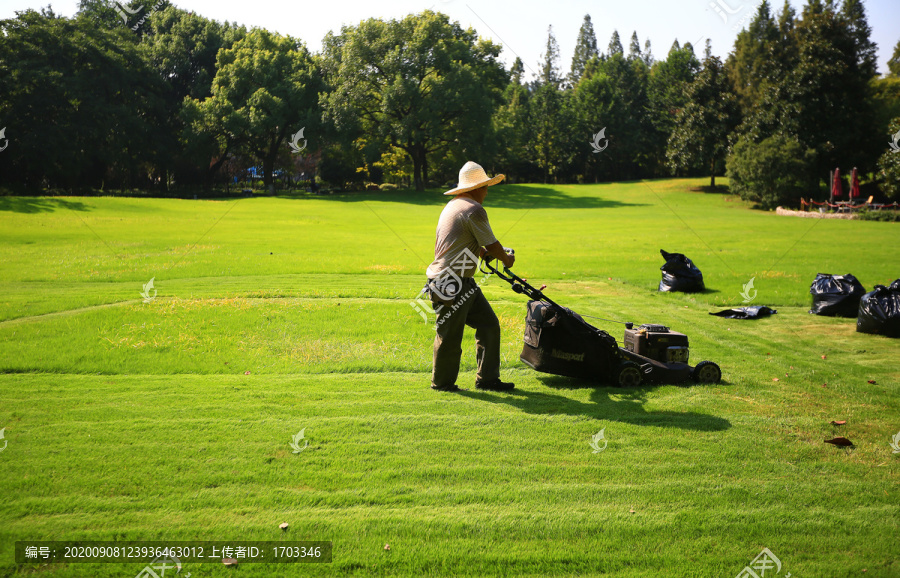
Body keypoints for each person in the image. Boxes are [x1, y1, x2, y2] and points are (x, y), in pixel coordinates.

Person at [426, 161, 516, 392]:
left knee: (488, 324)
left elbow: (465, 241)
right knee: (450, 335)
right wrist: (506, 260)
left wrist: (483, 254)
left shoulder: (454, 205)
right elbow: (494, 244)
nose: (487, 191)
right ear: (476, 188)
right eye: (485, 187)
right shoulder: (474, 209)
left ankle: (487, 379)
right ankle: (442, 384)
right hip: (451, 282)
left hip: (460, 281)